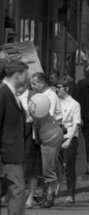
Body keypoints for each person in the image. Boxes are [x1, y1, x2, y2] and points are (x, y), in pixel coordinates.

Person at [30, 72, 63, 208]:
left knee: (49, 167)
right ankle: (46, 194)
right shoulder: (37, 96)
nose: (32, 86)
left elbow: (47, 114)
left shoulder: (51, 96)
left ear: (43, 83)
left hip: (50, 135)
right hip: (40, 134)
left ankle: (50, 195)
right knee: (45, 167)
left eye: (35, 83)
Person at [0, 59, 29, 215]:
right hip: (7, 154)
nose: (27, 77)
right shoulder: (3, 93)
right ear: (17, 75)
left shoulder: (11, 93)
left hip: (12, 153)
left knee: (16, 190)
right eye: (25, 74)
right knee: (18, 190)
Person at [17, 83, 43, 209]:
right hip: (16, 135)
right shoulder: (12, 95)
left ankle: (30, 196)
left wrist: (32, 119)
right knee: (17, 167)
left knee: (32, 169)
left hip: (31, 136)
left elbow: (42, 114)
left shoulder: (35, 96)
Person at [56, 80, 81, 203]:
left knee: (68, 166)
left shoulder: (75, 104)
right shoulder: (56, 102)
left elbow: (76, 122)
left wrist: (69, 140)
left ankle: (71, 194)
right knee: (55, 165)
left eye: (59, 87)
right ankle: (53, 192)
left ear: (66, 88)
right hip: (56, 135)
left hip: (69, 136)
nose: (57, 90)